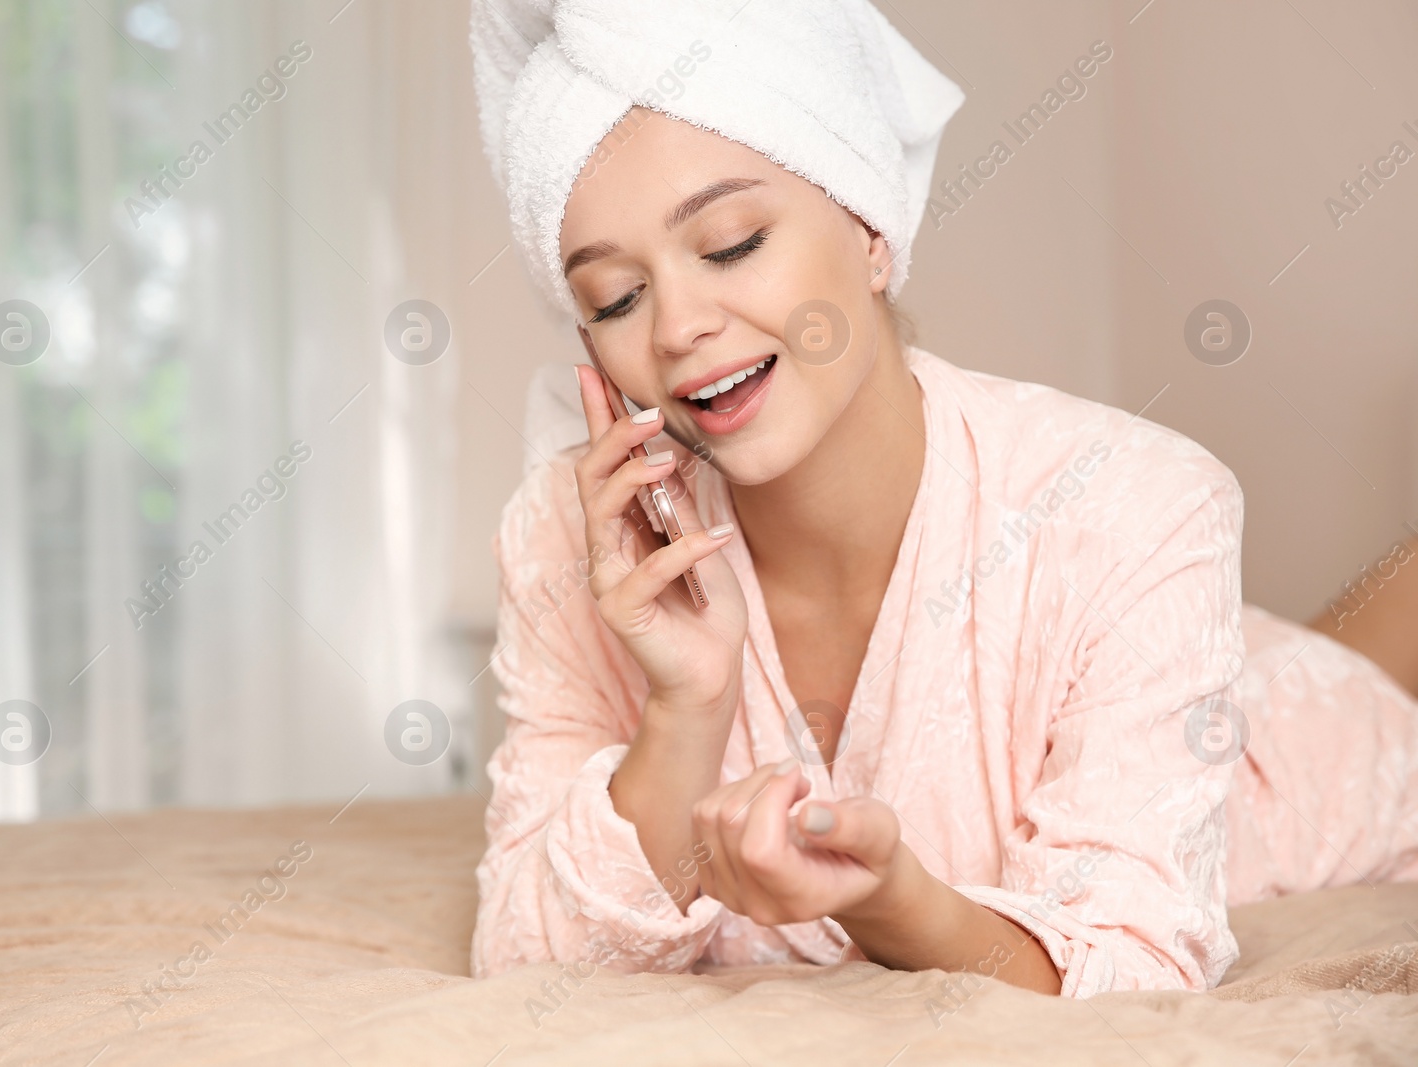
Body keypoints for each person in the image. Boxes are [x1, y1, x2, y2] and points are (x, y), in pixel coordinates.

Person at [467, 0, 1418, 998]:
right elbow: (524, 964)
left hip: (1301, 744)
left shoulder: (1137, 500)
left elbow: (1135, 963)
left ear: (870, 231)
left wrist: (890, 905)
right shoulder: (567, 541)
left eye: (732, 242)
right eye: (616, 297)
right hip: (1162, 656)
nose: (677, 327)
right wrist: (684, 710)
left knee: (1340, 687)